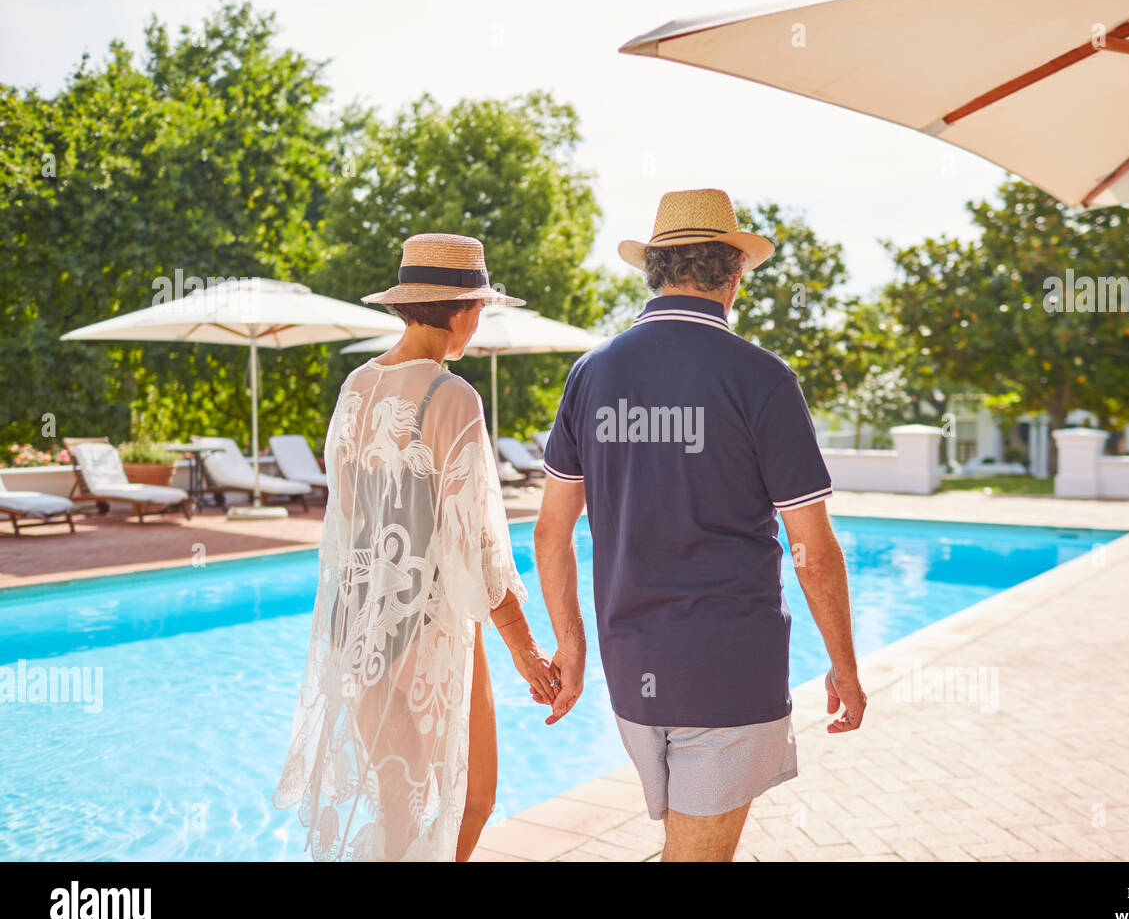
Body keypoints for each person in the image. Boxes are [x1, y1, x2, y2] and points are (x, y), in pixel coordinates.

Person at [534, 188, 868, 862]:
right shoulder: (762, 378)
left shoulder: (590, 374)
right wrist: (844, 664)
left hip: (632, 674)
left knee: (683, 844)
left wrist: (570, 646)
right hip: (727, 672)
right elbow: (813, 550)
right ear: (734, 276)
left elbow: (550, 532)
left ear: (654, 270)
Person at [274, 233, 558, 862]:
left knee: (401, 804)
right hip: (428, 616)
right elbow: (478, 541)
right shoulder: (452, 396)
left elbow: (344, 513)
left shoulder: (355, 385)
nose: (479, 322)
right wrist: (527, 651)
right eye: (479, 308)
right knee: (472, 796)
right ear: (457, 308)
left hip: (358, 619)